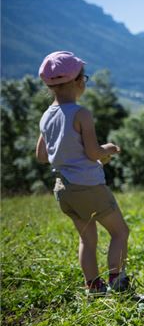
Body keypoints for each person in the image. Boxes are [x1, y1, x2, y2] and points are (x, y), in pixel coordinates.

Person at [35, 51, 130, 295]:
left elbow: (42, 156)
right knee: (119, 231)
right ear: (79, 81)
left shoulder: (46, 117)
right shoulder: (81, 114)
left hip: (63, 189)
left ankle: (94, 287)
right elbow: (92, 153)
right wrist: (108, 149)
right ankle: (118, 283)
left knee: (87, 240)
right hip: (88, 186)